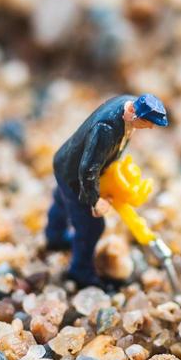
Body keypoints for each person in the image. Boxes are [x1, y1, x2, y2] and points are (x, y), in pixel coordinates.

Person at [45, 93, 169, 287]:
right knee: (91, 227)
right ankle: (80, 271)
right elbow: (88, 169)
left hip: (66, 161)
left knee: (61, 201)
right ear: (131, 112)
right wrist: (94, 200)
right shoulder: (106, 129)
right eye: (147, 122)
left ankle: (54, 236)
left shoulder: (128, 102)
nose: (150, 127)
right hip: (74, 177)